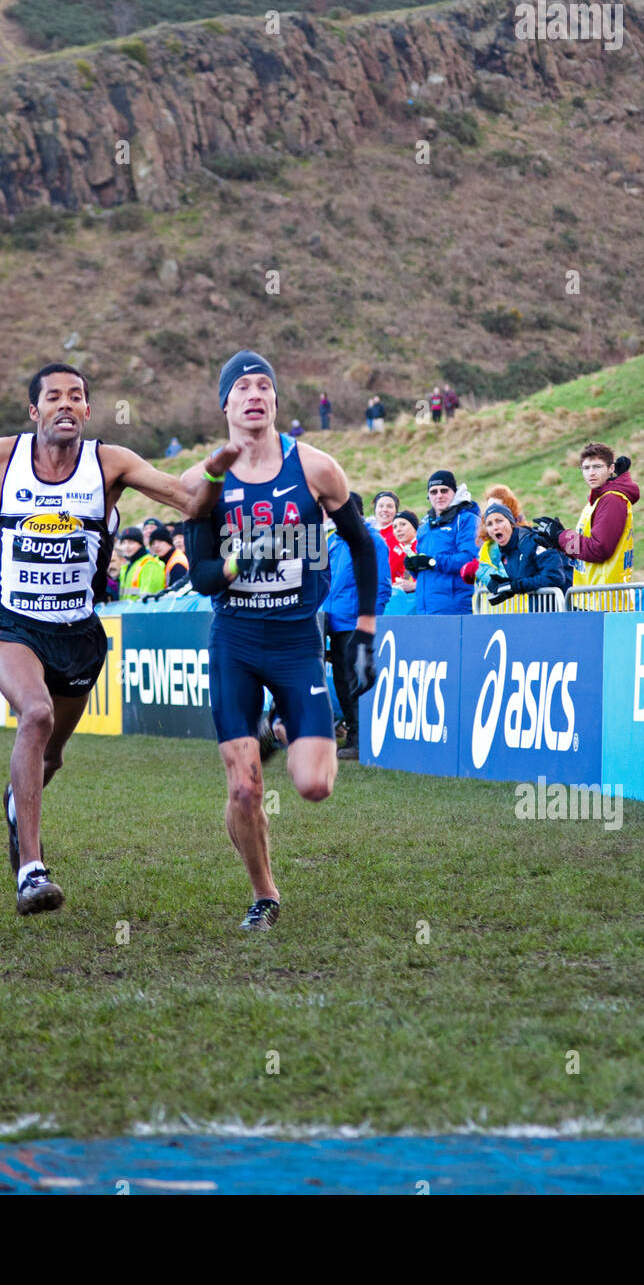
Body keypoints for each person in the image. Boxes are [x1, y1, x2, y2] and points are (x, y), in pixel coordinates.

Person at [0, 362, 236, 917]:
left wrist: (221, 467)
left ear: (86, 410)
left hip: (77, 632)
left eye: (76, 397)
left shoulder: (112, 463)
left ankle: (18, 798)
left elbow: (190, 502)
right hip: (11, 623)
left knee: (53, 752)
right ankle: (31, 871)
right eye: (53, 396)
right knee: (34, 715)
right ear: (34, 411)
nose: (65, 404)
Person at [183, 350, 379, 933]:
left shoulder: (316, 468)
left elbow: (365, 546)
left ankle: (275, 729)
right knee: (244, 788)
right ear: (226, 404)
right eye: (242, 387)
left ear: (275, 401)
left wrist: (364, 632)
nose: (255, 395)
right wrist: (244, 557)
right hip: (236, 639)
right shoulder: (205, 481)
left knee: (315, 785)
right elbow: (200, 576)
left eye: (264, 386)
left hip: (297, 638)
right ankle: (264, 895)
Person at [322, 492, 392, 759]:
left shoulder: (372, 541)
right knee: (342, 682)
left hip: (355, 623)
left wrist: (369, 624)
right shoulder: (335, 542)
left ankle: (362, 740)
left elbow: (382, 587)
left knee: (356, 682)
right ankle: (353, 736)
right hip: (333, 624)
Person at [541, 444, 639, 595]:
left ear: (611, 469)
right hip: (592, 597)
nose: (591, 473)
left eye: (597, 467)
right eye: (586, 468)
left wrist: (562, 537)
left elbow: (598, 549)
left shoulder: (612, 500)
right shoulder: (596, 500)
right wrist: (558, 543)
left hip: (606, 601)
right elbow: (586, 547)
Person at [463, 501, 572, 608]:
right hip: (537, 611)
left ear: (511, 523)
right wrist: (503, 585)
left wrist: (514, 586)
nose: (495, 527)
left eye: (499, 521)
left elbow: (554, 577)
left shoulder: (535, 541)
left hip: (564, 609)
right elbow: (523, 579)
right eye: (489, 524)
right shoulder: (504, 552)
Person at [404, 470, 479, 614]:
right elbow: (424, 571)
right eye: (433, 492)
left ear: (454, 492)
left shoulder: (466, 519)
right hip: (426, 608)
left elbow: (470, 560)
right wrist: (414, 565)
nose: (439, 495)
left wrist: (432, 562)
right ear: (428, 496)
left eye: (444, 490)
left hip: (455, 608)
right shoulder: (424, 527)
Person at [118, 526, 167, 599]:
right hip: (126, 609)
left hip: (141, 610)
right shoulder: (127, 566)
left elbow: (149, 598)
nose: (126, 547)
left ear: (140, 544)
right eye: (123, 543)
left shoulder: (150, 564)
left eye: (131, 542)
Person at [148, 523, 189, 588]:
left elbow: (179, 592)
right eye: (153, 543)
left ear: (169, 542)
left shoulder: (176, 563)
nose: (156, 546)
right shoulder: (167, 560)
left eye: (160, 541)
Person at [390, 510, 418, 590]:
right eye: (394, 527)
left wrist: (414, 585)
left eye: (403, 524)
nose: (398, 529)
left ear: (414, 527)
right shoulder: (407, 549)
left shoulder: (421, 547)